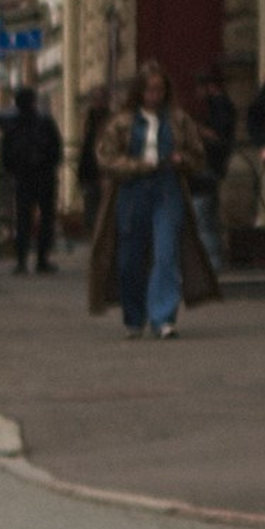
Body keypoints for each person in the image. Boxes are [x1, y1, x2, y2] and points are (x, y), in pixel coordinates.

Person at [90, 59, 220, 338]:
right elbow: (106, 157)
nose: (154, 96)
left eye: (159, 90)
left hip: (167, 187)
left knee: (166, 252)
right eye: (149, 90)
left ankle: (163, 318)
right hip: (131, 191)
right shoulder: (122, 121)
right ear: (139, 92)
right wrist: (138, 165)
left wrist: (180, 158)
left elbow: (197, 155)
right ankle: (135, 318)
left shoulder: (178, 119)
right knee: (130, 258)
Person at [0, 85, 64, 275]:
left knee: (23, 220)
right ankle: (41, 260)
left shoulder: (13, 126)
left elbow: (6, 155)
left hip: (24, 178)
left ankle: (22, 262)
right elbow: (56, 149)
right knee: (45, 219)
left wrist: (14, 171)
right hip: (43, 177)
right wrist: (50, 165)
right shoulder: (45, 122)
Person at [184, 64, 238, 280]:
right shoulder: (217, 104)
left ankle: (212, 264)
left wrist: (198, 129)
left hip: (210, 165)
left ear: (208, 86)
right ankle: (212, 261)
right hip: (211, 165)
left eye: (199, 88)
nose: (197, 94)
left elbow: (218, 136)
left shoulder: (221, 105)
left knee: (202, 214)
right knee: (206, 214)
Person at [76, 86, 111, 245]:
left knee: (105, 214)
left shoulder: (111, 121)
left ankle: (103, 243)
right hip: (89, 173)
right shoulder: (87, 120)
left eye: (100, 99)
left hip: (104, 174)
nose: (97, 103)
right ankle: (95, 243)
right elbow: (85, 148)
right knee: (91, 212)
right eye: (94, 99)